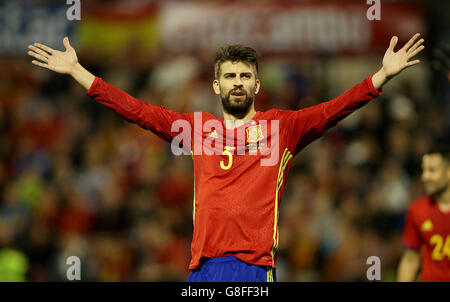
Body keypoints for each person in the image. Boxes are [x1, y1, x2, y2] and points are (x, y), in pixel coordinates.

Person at [28, 33, 424, 282]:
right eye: (230, 76)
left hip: (253, 267)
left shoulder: (282, 128)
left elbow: (334, 108)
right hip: (202, 269)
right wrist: (80, 72)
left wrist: (382, 76)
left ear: (257, 83)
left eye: (244, 75)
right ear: (217, 85)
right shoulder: (195, 130)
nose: (238, 83)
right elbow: (138, 111)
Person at [397, 148, 450, 282]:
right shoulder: (417, 210)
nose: (424, 177)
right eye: (424, 170)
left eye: (432, 170)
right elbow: (410, 260)